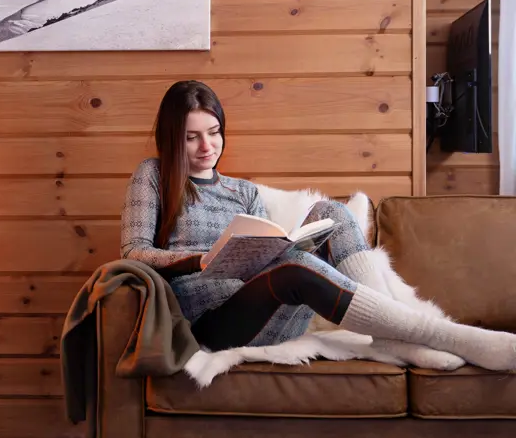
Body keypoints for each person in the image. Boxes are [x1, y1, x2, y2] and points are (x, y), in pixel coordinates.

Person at [120, 80, 516, 371]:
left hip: (270, 309)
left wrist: (278, 248)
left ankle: (393, 337)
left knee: (333, 214)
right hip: (212, 323)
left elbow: (267, 258)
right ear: (173, 139)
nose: (207, 147)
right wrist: (200, 260)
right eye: (192, 138)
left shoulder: (243, 192)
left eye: (214, 133)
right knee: (295, 269)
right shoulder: (152, 176)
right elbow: (133, 252)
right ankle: (445, 335)